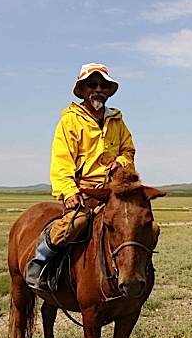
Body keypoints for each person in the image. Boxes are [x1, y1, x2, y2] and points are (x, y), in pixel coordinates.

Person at [25, 62, 136, 288]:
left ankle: (137, 272)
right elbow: (62, 160)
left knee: (141, 222)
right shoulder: (70, 120)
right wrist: (69, 192)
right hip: (83, 190)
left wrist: (120, 162)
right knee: (75, 223)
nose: (98, 90)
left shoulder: (117, 120)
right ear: (83, 90)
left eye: (104, 86)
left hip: (113, 190)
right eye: (92, 85)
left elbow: (128, 150)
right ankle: (40, 263)